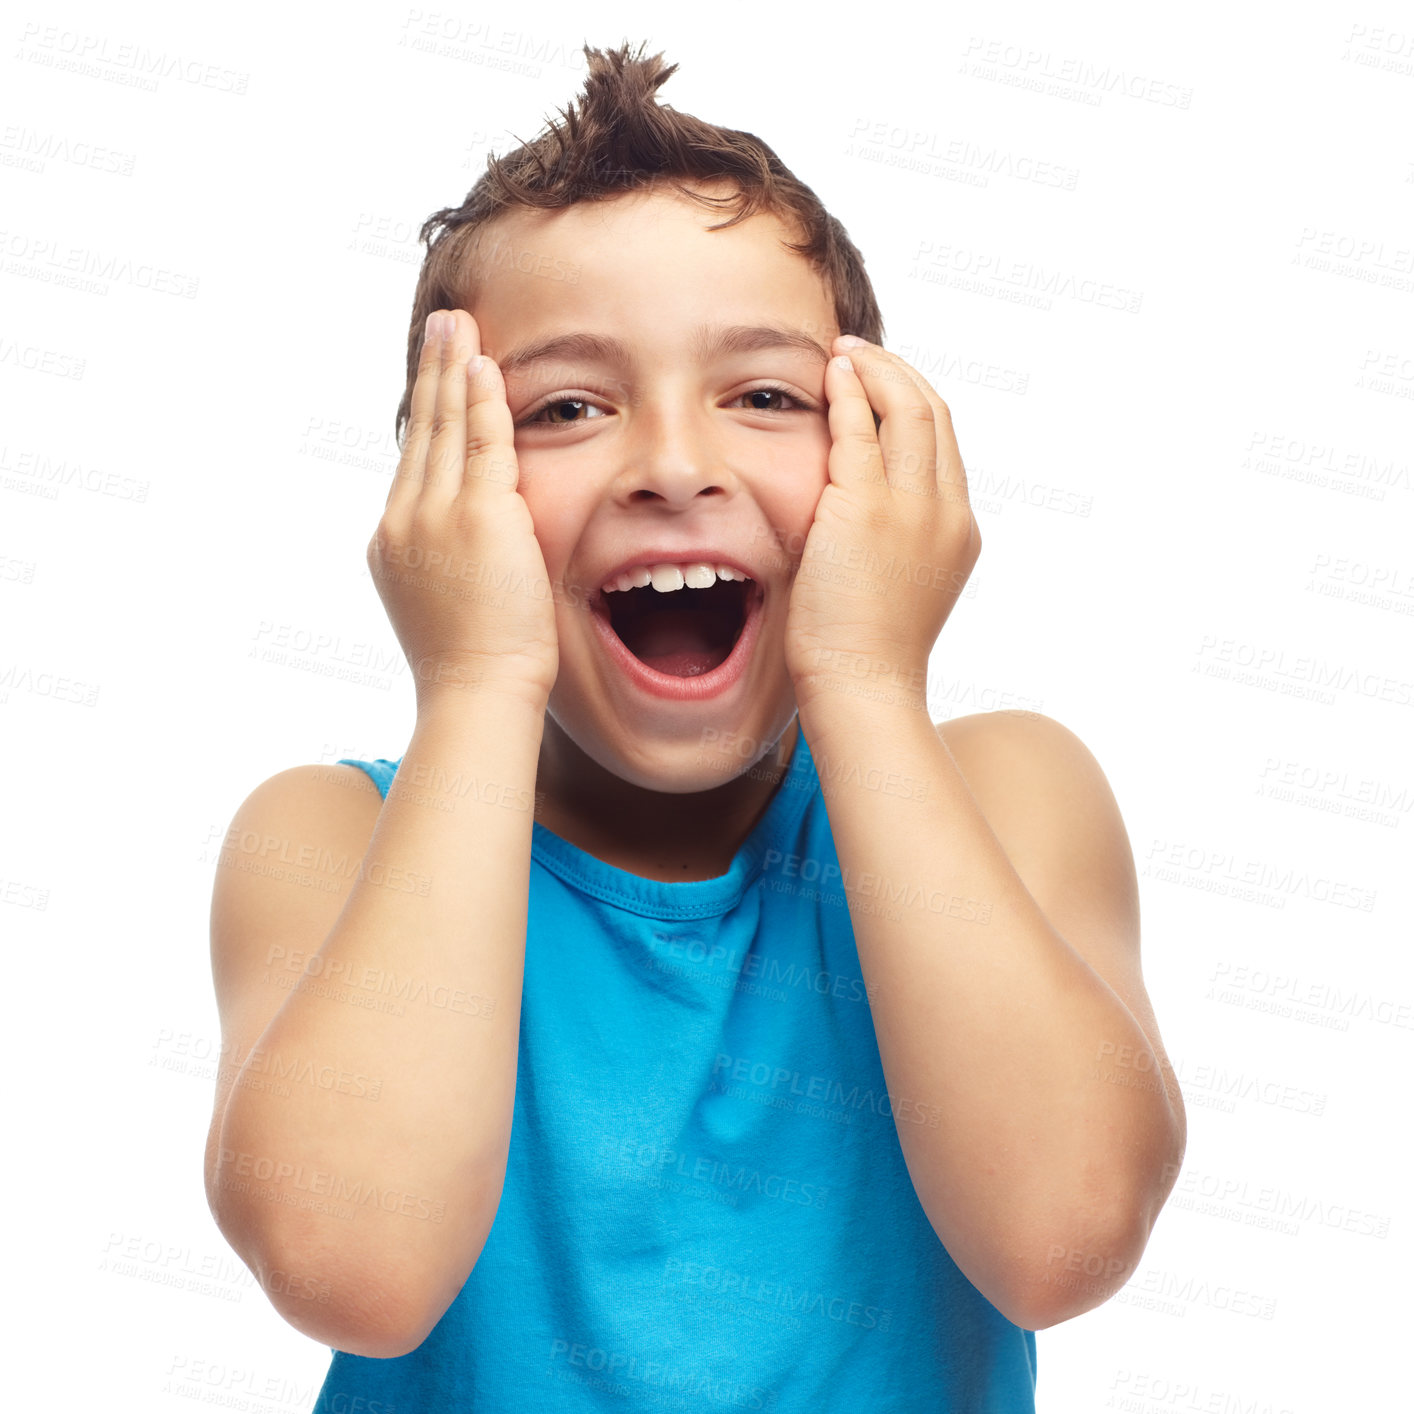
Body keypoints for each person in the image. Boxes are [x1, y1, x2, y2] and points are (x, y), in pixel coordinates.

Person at [204, 40, 1186, 1411]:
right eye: (564, 407)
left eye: (767, 396)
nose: (673, 465)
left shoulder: (1010, 792)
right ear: (447, 492)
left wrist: (864, 675)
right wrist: (479, 675)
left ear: (875, 458)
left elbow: (1061, 1239)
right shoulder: (328, 835)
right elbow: (353, 1264)